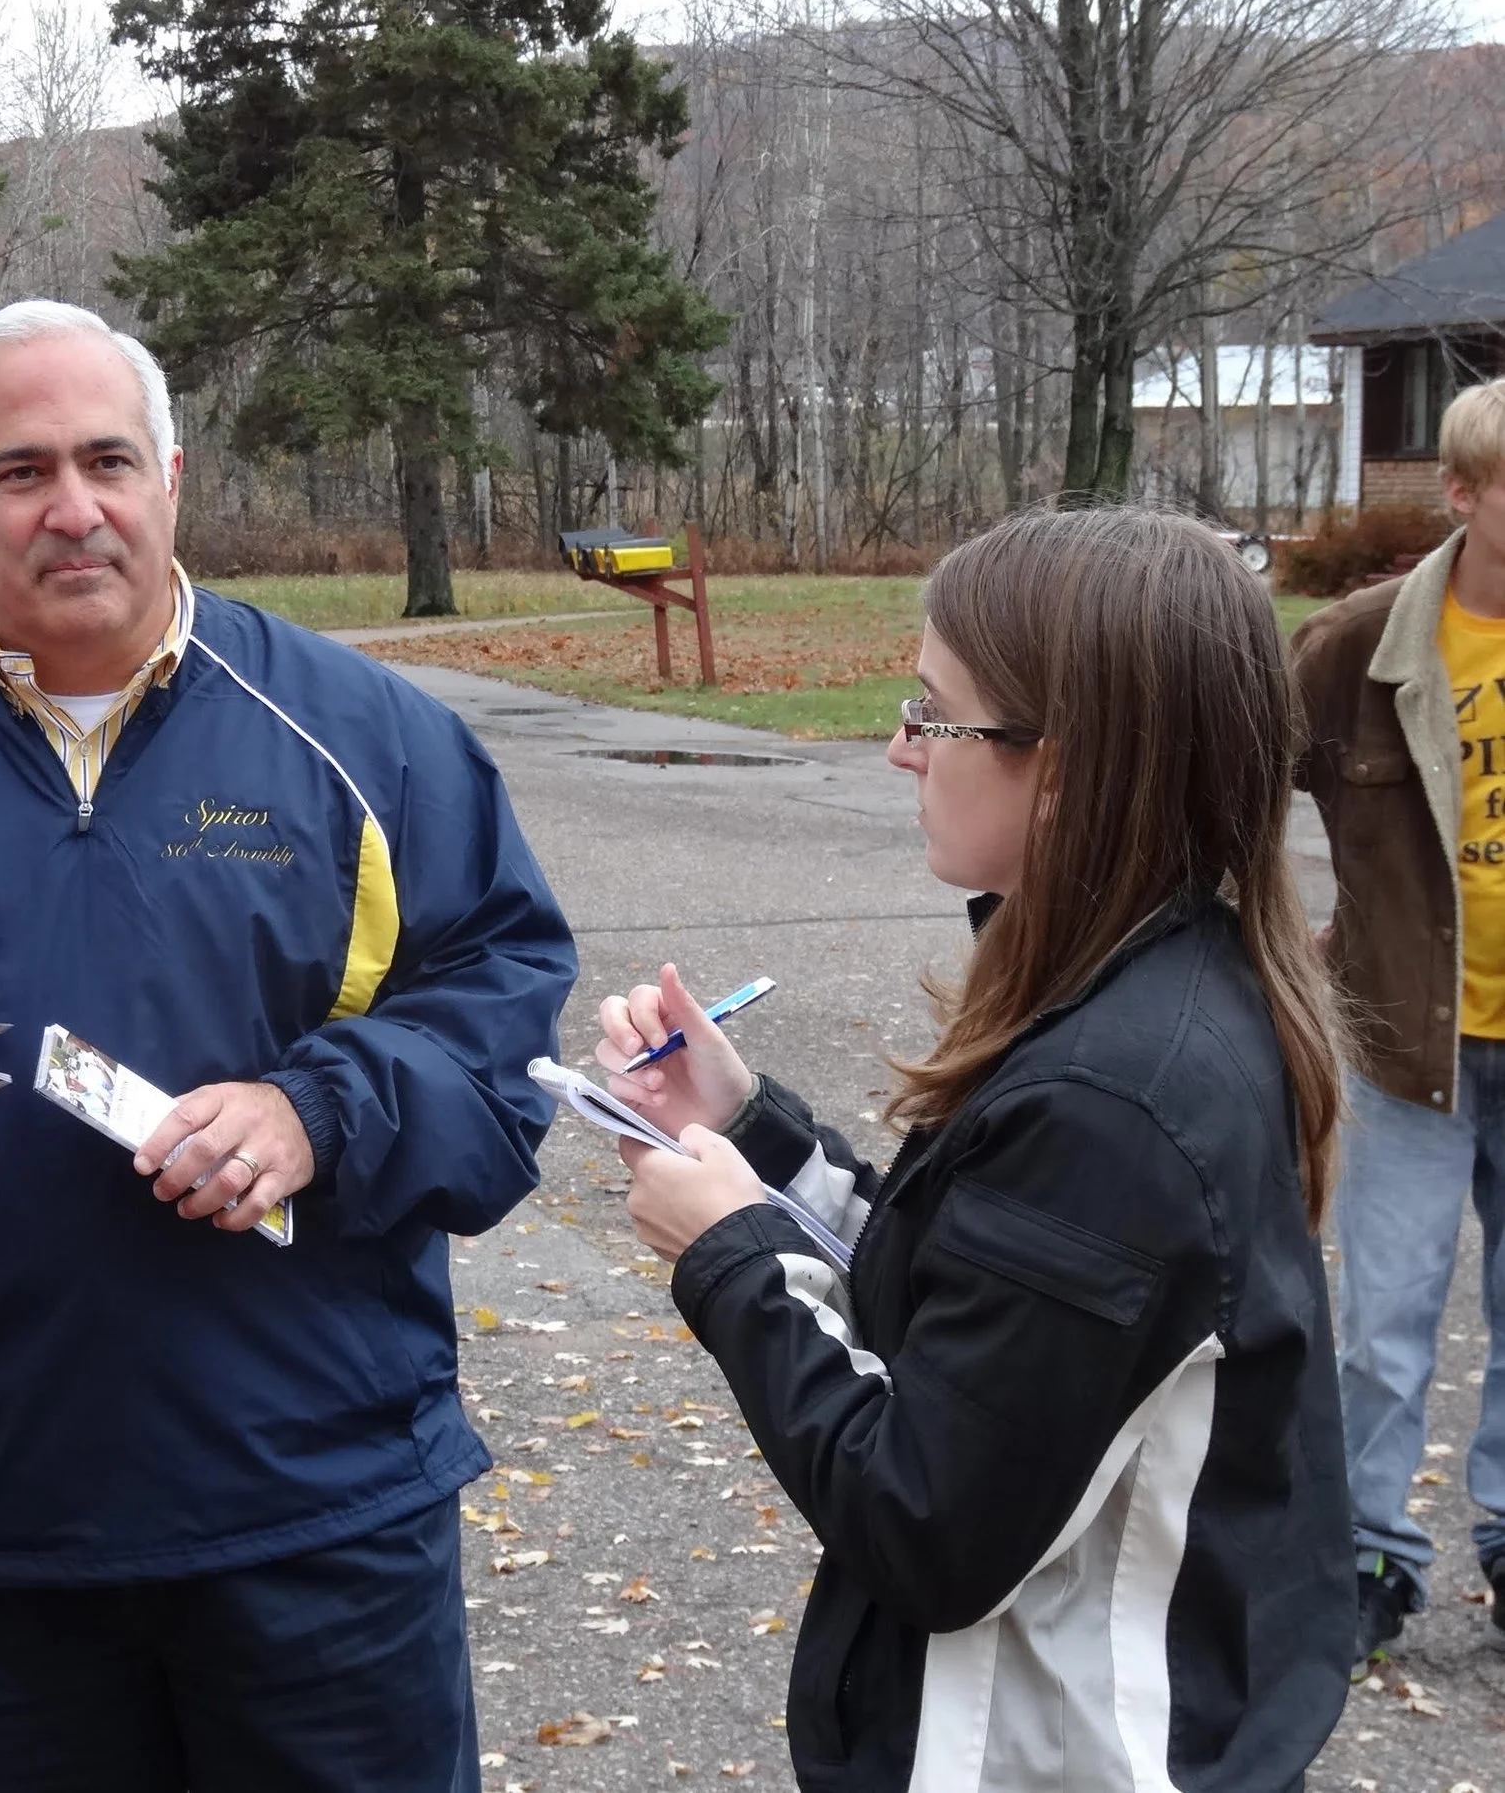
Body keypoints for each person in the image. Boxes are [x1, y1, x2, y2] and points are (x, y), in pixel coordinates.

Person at [0, 298, 576, 1792]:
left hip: (318, 1508)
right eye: (19, 473)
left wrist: (315, 1108)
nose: (73, 509)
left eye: (107, 460)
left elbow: (500, 1043)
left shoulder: (370, 742)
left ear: (174, 480)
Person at [595, 508, 1353, 1790]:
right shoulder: (1154, 986)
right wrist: (751, 1137)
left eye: (933, 714)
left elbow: (924, 1521)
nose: (897, 748)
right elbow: (973, 1313)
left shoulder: (1116, 1101)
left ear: (1065, 766)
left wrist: (728, 1255)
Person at [1291, 375, 1505, 1673]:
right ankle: (1371, 1549)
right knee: (1385, 1318)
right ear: (1466, 497)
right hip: (1407, 1048)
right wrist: (1281, 937)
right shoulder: (1359, 649)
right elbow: (1226, 786)